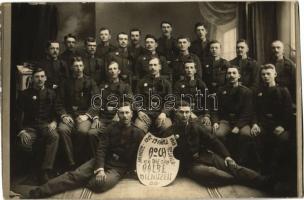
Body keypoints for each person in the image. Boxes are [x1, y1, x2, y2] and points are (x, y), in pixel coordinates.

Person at [28, 102, 145, 198]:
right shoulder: (110, 128)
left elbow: (142, 154)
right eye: (121, 113)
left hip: (118, 168)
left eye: (127, 112)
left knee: (100, 184)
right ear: (118, 114)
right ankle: (40, 191)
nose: (124, 116)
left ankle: (83, 178)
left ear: (131, 114)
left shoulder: (139, 133)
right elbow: (101, 149)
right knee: (74, 176)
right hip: (102, 161)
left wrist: (131, 169)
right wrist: (99, 168)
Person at [161, 101, 270, 190]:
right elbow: (165, 154)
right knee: (213, 173)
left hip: (205, 156)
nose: (184, 115)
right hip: (190, 165)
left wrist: (227, 156)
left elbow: (213, 141)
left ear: (190, 113)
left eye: (187, 112)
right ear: (176, 113)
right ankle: (240, 180)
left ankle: (263, 181)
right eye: (181, 112)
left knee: (232, 166)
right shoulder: (169, 132)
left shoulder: (196, 126)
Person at [16, 68, 67, 183]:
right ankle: (33, 171)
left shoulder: (52, 93)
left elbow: (56, 110)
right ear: (32, 79)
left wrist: (54, 122)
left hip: (46, 125)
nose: (40, 79)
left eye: (42, 76)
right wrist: (21, 131)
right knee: (24, 144)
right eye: (37, 77)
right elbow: (17, 114)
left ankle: (45, 170)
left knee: (54, 136)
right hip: (30, 127)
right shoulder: (24, 94)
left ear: (46, 78)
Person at [251, 64, 293, 183]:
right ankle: (262, 172)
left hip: (279, 125)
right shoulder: (258, 91)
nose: (265, 76)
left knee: (283, 140)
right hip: (263, 125)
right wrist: (254, 124)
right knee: (255, 136)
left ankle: (277, 174)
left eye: (268, 74)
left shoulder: (283, 91)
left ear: (275, 74)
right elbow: (254, 110)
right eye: (263, 74)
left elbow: (288, 111)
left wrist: (282, 126)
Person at [57, 56, 99, 166]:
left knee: (83, 131)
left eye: (80, 65)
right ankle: (71, 162)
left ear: (83, 66)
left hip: (84, 115)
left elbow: (97, 102)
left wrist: (87, 115)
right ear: (71, 67)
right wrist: (63, 115)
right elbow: (59, 102)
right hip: (69, 115)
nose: (78, 68)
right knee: (62, 129)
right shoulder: (65, 82)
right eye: (76, 66)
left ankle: (80, 160)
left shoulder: (90, 82)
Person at [212, 65, 254, 167]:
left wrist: (238, 126)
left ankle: (241, 163)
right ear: (226, 76)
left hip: (241, 121)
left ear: (239, 76)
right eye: (229, 73)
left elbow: (247, 112)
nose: (231, 75)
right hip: (226, 121)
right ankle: (224, 161)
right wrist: (216, 122)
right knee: (218, 134)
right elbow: (215, 109)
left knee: (245, 134)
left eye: (234, 73)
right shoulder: (221, 91)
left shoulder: (246, 92)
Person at [87, 60, 133, 133]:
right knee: (92, 133)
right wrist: (96, 117)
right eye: (110, 69)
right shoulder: (102, 87)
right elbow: (97, 102)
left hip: (119, 118)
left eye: (115, 69)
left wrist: (119, 115)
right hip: (103, 118)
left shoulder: (125, 86)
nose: (112, 71)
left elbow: (129, 102)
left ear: (119, 71)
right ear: (108, 72)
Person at [135, 56, 172, 133]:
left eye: (155, 65)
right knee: (138, 128)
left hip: (160, 113)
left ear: (160, 67)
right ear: (148, 67)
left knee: (167, 127)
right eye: (151, 65)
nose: (153, 67)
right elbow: (137, 99)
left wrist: (164, 113)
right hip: (146, 114)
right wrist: (139, 111)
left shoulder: (166, 83)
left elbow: (170, 101)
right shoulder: (142, 82)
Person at [173, 59, 211, 130]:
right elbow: (177, 101)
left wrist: (206, 115)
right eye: (187, 68)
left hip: (200, 114)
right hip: (184, 114)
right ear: (184, 70)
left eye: (191, 67)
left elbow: (206, 101)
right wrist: (189, 113)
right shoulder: (178, 84)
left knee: (207, 128)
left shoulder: (201, 84)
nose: (189, 70)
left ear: (195, 70)